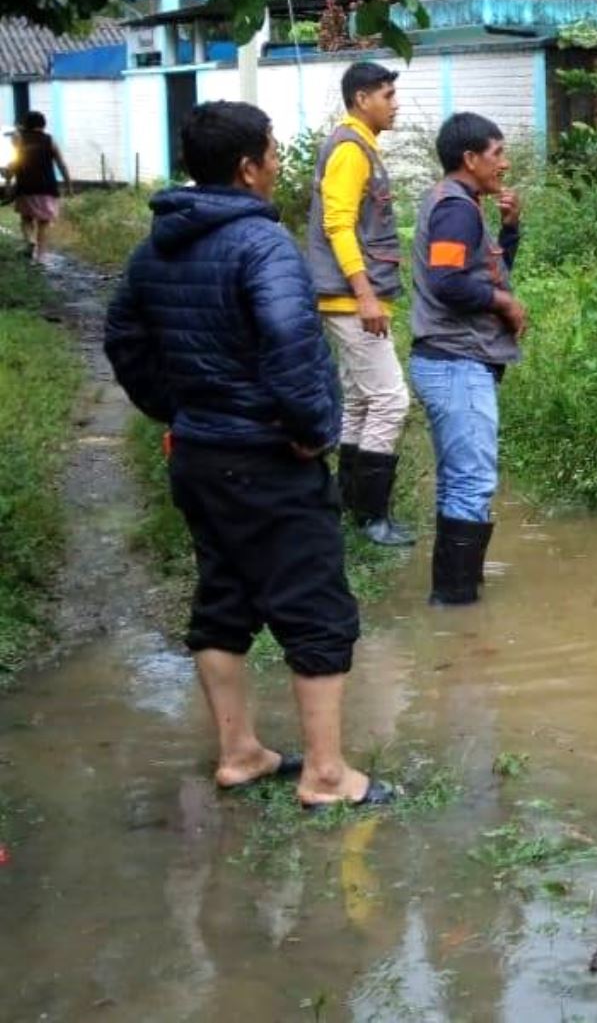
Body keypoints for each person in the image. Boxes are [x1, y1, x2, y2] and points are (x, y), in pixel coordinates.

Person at [103, 100, 393, 809]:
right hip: (266, 459)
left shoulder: (155, 246)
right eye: (270, 151)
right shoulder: (261, 246)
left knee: (224, 598)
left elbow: (123, 339)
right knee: (316, 607)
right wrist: (312, 429)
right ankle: (325, 774)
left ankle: (239, 752)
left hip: (199, 455)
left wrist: (178, 409)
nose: (275, 163)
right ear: (247, 167)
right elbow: (292, 345)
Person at [409, 113, 527, 605]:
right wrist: (505, 304)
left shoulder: (463, 205)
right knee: (472, 481)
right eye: (497, 153)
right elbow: (449, 282)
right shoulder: (455, 210)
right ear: (470, 158)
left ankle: (457, 596)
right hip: (455, 362)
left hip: (453, 361)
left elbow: (486, 273)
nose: (505, 162)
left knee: (460, 482)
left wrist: (511, 228)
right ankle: (455, 603)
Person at [306, 61, 414, 547]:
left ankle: (349, 508)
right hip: (352, 299)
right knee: (391, 400)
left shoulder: (357, 145)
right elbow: (338, 225)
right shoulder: (350, 149)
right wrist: (364, 293)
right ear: (360, 99)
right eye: (386, 96)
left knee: (361, 402)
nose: (394, 104)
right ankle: (374, 518)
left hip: (346, 297)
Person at [10, 111, 70, 263]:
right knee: (43, 222)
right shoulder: (49, 140)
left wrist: (9, 178)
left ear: (26, 124)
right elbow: (61, 163)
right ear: (43, 124)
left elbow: (16, 161)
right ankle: (41, 256)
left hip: (25, 186)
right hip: (47, 187)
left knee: (26, 217)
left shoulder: (19, 138)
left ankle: (29, 241)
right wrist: (68, 184)